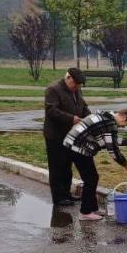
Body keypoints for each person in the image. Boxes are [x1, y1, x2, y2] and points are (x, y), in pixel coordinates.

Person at [63, 108, 127, 221]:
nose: (124, 126)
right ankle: (85, 212)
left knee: (92, 177)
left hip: (73, 143)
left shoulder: (106, 116)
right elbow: (113, 151)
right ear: (124, 117)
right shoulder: (110, 123)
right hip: (77, 147)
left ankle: (92, 208)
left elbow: (111, 140)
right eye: (126, 123)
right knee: (91, 179)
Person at [43, 68, 91, 206]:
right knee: (57, 167)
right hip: (55, 136)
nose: (76, 88)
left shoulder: (76, 90)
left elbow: (83, 106)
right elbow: (52, 111)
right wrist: (72, 119)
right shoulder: (53, 89)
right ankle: (58, 197)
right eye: (75, 84)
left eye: (78, 86)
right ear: (68, 77)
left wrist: (90, 117)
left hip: (71, 136)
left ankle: (67, 194)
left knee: (67, 166)